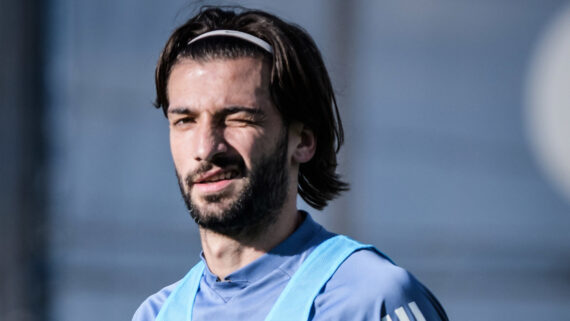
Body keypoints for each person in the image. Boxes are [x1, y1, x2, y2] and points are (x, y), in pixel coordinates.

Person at [133, 6, 448, 321]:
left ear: (304, 141)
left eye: (237, 119)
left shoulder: (374, 299)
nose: (205, 148)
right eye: (185, 120)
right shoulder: (156, 313)